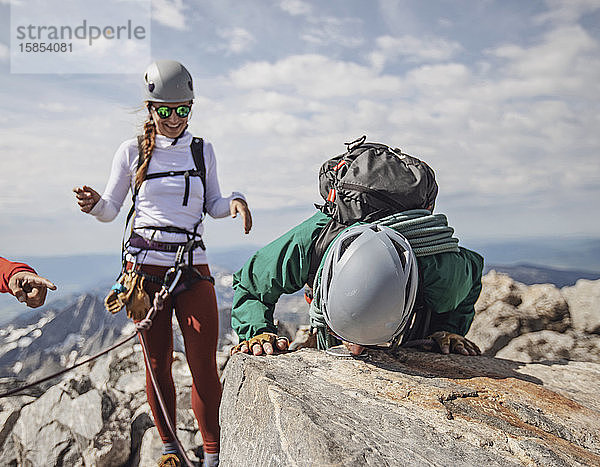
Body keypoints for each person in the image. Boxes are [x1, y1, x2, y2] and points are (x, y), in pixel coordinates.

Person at [74, 60, 250, 467]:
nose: (174, 118)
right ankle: (171, 450)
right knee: (157, 365)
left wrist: (235, 202)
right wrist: (94, 204)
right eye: (165, 110)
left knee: (203, 364)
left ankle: (212, 455)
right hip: (144, 273)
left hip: (192, 268)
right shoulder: (131, 151)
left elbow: (213, 204)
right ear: (150, 108)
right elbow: (111, 208)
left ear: (191, 107)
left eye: (183, 110)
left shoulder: (203, 151)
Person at [230, 148, 483, 359]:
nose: (357, 351)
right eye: (344, 336)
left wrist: (446, 331)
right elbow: (252, 283)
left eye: (375, 342)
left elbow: (472, 274)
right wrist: (256, 332)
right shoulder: (314, 241)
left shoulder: (436, 267)